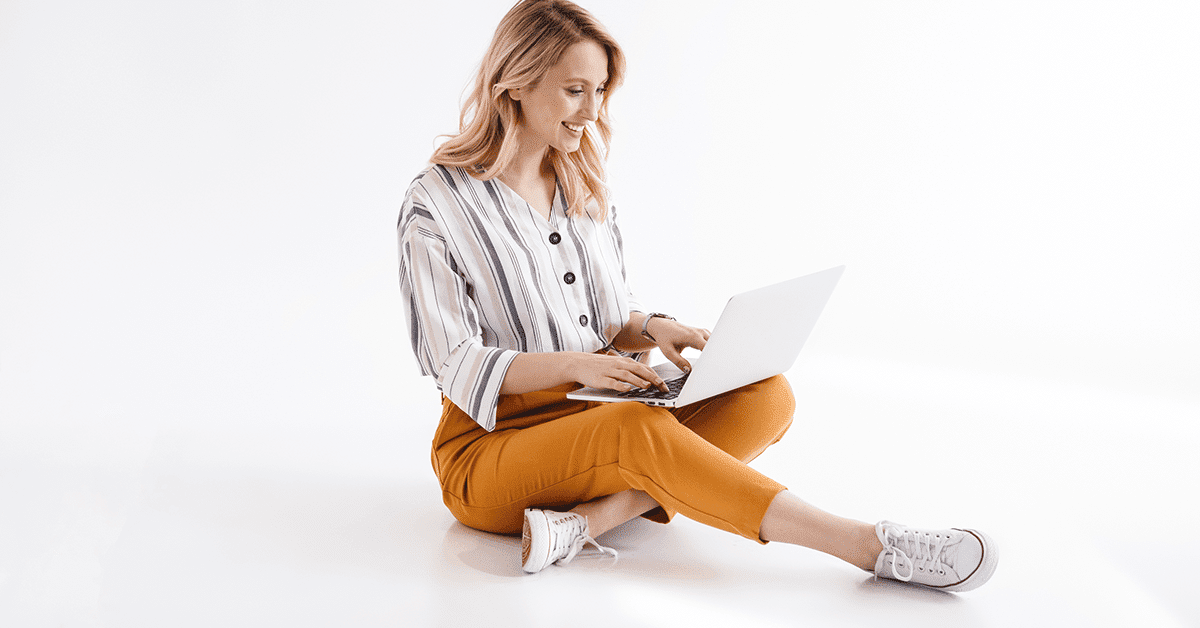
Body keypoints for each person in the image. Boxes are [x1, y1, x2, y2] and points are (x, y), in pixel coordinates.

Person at [397, 0, 997, 591]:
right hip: (490, 448)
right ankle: (868, 545)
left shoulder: (580, 179)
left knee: (767, 396)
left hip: (604, 407)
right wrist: (583, 366)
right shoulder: (438, 201)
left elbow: (607, 319)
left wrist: (655, 329)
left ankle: (593, 521)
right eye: (575, 90)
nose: (592, 110)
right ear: (516, 84)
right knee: (635, 431)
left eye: (601, 91)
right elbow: (456, 364)